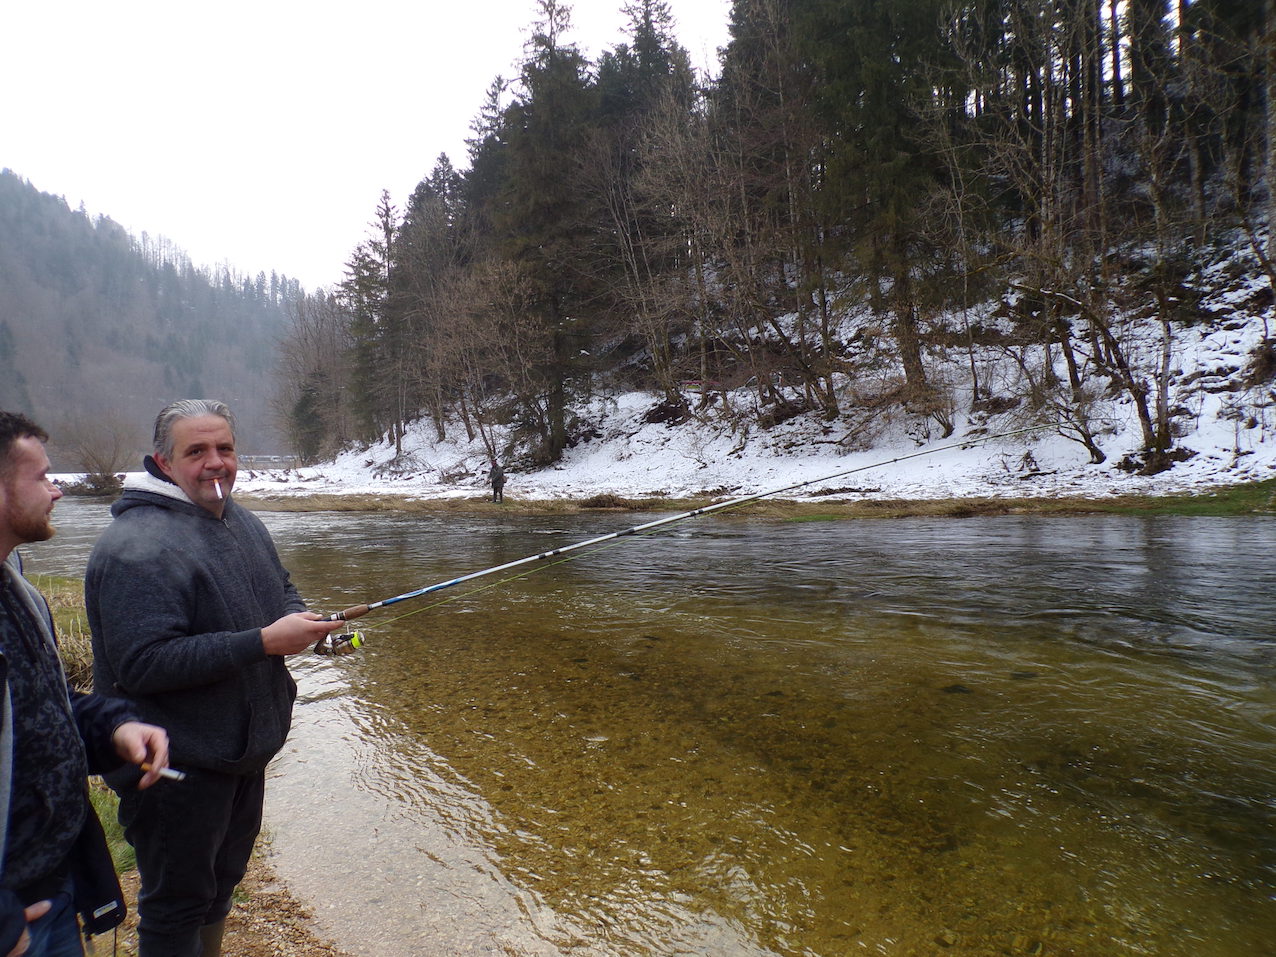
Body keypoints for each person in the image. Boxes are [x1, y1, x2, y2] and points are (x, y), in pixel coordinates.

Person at [84, 400, 343, 957]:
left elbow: (281, 588)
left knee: (222, 885)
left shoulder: (240, 520)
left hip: (243, 753)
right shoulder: (137, 546)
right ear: (163, 462)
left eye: (224, 448)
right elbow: (142, 662)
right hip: (173, 767)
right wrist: (263, 641)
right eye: (196, 451)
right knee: (177, 905)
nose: (215, 463)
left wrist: (303, 623)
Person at [0, 410, 171, 957]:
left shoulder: (18, 590)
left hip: (52, 885)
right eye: (41, 477)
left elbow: (41, 711)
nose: (57, 491)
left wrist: (114, 728)